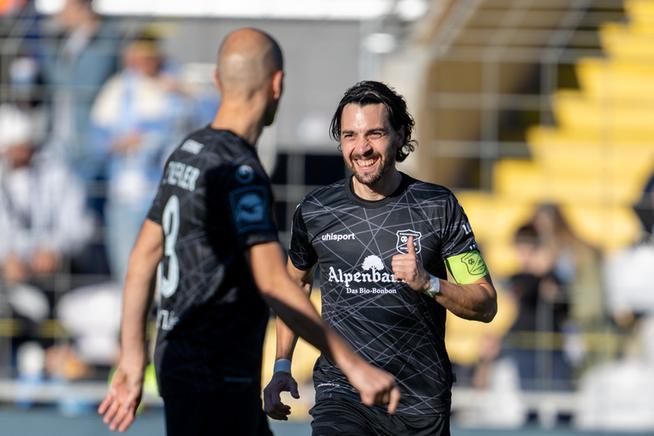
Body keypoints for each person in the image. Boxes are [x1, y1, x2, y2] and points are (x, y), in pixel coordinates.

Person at [97, 29, 400, 436]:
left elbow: (142, 257)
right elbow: (274, 281)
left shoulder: (189, 149)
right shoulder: (240, 172)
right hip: (216, 372)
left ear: (219, 82)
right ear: (278, 84)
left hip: (178, 361)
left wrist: (133, 357)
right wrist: (354, 365)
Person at [263, 80, 497, 435]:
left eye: (374, 134)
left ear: (401, 135)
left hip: (420, 401)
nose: (362, 148)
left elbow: (485, 303)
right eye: (350, 136)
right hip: (342, 393)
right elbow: (293, 285)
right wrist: (282, 365)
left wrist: (429, 283)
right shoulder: (315, 210)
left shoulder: (438, 207)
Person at [90, 29, 192, 283]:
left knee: (171, 269)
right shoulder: (117, 90)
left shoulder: (178, 85)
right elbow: (97, 141)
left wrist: (183, 94)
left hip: (171, 194)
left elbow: (203, 120)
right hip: (128, 196)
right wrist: (121, 143)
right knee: (128, 271)